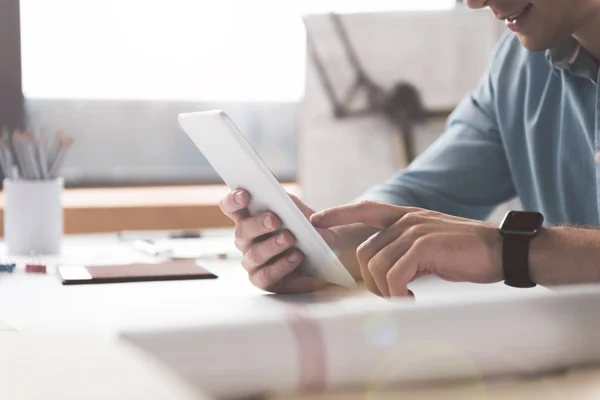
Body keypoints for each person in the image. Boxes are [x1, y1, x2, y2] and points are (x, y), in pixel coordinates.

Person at [219, 0, 600, 298]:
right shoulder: (519, 66)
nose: (474, 2)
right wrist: (327, 246)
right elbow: (423, 194)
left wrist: (515, 250)